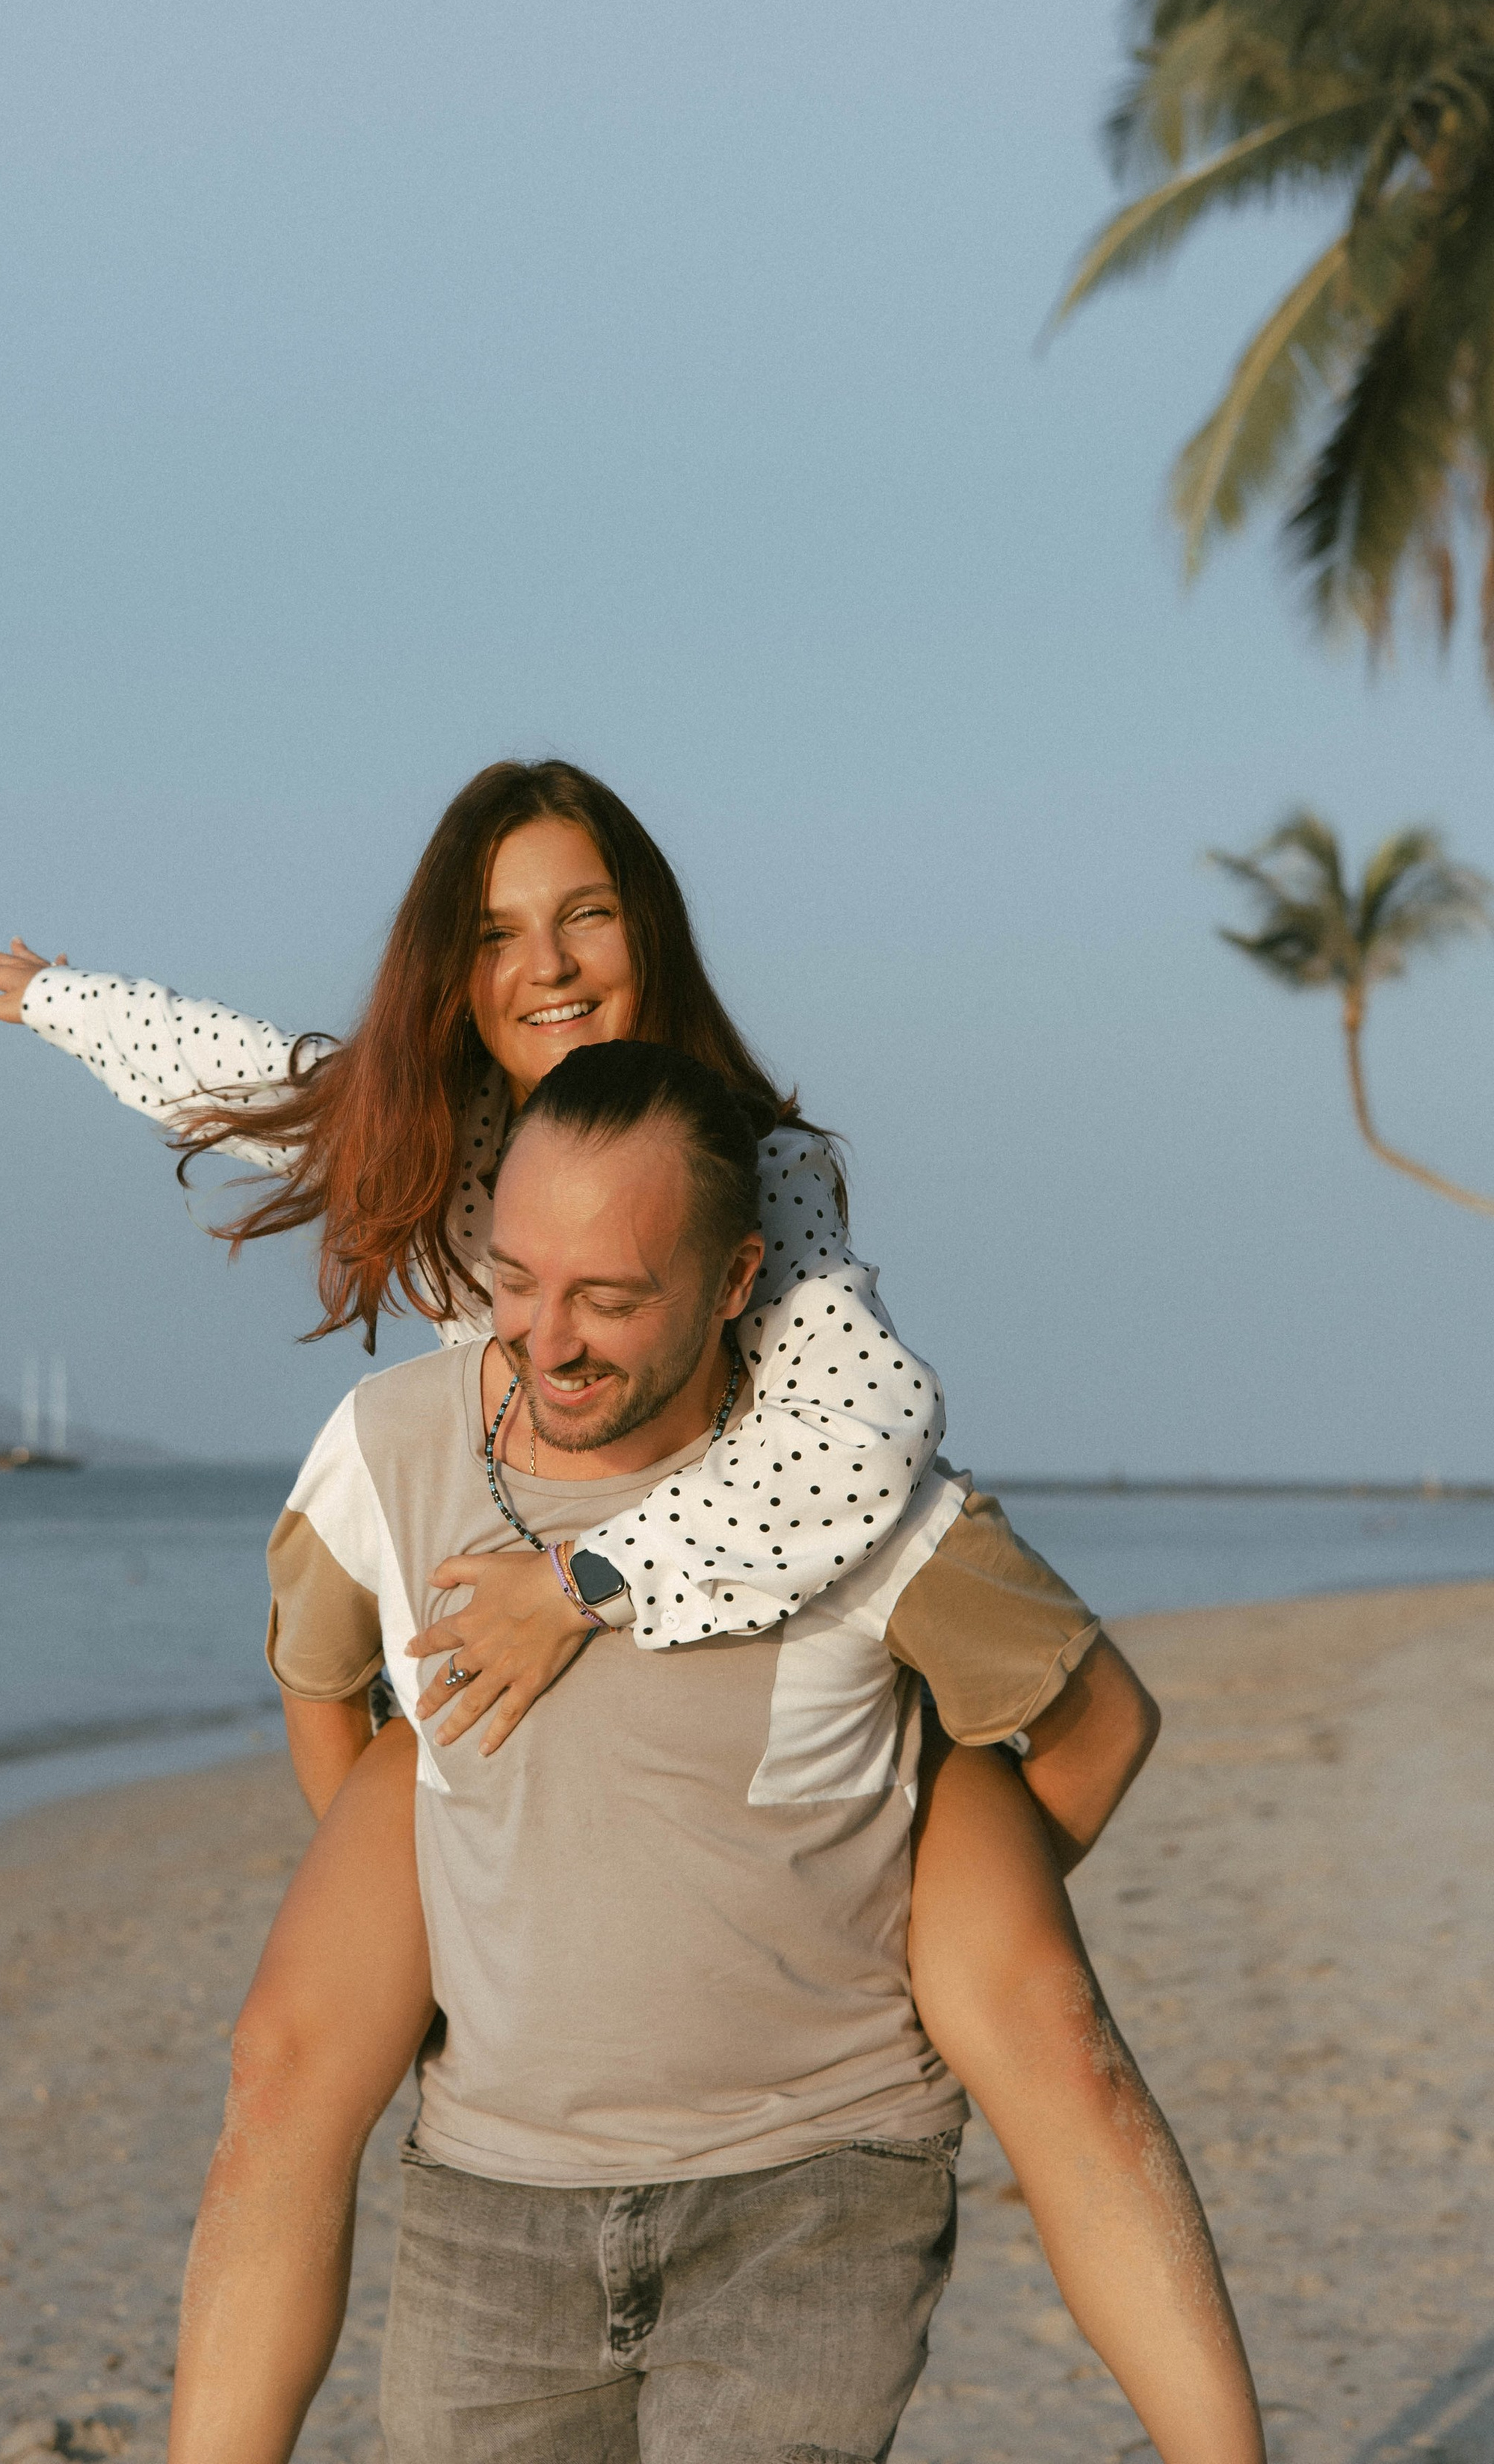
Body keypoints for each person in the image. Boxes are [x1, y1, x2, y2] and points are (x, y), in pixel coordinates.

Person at [0, 758, 1264, 2463]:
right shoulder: (434, 1142)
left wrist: (591, 1587)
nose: (546, 965)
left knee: (1047, 2042)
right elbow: (253, 1081)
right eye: (495, 933)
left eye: (585, 916)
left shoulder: (761, 1174)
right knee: (279, 2061)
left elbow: (862, 1434)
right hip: (482, 1645)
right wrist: (63, 1001)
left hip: (733, 1597)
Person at [217, 1044, 1169, 2457]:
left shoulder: (846, 1494)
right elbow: (321, 1686)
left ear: (734, 1281)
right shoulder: (397, 1447)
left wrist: (922, 1934)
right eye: (519, 1281)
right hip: (493, 2207)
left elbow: (1096, 1726)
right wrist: (457, 1924)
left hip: (812, 2196)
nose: (548, 1339)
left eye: (608, 1299)